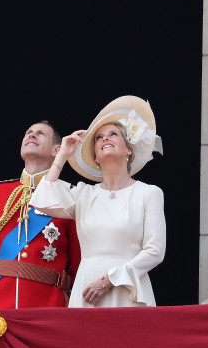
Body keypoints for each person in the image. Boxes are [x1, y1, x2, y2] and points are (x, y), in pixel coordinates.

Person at [31, 96, 166, 307]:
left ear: (129, 149)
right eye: (98, 138)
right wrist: (62, 156)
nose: (104, 139)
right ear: (95, 155)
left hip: (127, 289)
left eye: (113, 134)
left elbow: (155, 252)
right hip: (87, 292)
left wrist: (109, 280)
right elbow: (41, 201)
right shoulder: (83, 194)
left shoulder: (149, 193)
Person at [0, 122, 80, 309]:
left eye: (40, 134)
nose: (32, 135)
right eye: (28, 132)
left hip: (48, 303)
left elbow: (77, 259)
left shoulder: (69, 195)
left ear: (57, 150)